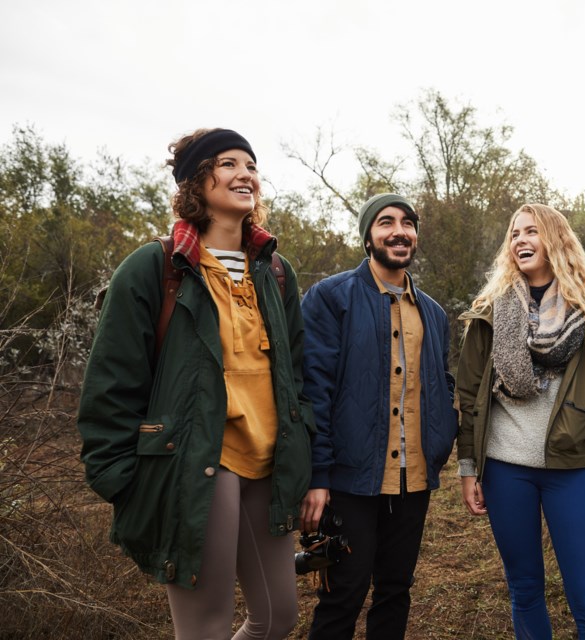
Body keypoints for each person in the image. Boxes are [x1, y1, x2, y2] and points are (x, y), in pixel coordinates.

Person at [77, 128, 315, 639]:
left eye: (251, 165)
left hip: (270, 461)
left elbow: (296, 374)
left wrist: (305, 448)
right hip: (194, 460)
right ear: (194, 182)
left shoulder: (275, 271)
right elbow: (111, 383)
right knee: (206, 626)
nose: (245, 174)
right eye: (228, 163)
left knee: (277, 618)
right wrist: (122, 480)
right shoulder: (156, 266)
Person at [456, 203, 585, 639]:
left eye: (531, 231)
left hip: (567, 467)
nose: (520, 241)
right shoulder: (490, 312)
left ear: (555, 240)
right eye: (514, 234)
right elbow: (469, 396)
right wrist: (468, 467)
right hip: (504, 468)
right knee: (525, 589)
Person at [299, 193, 459, 640]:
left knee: (396, 589)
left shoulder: (433, 312)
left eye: (408, 223)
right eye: (386, 222)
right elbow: (315, 390)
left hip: (413, 477)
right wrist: (318, 474)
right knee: (343, 593)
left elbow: (440, 382)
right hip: (351, 477)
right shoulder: (331, 298)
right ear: (368, 236)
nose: (400, 230)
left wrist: (441, 436)